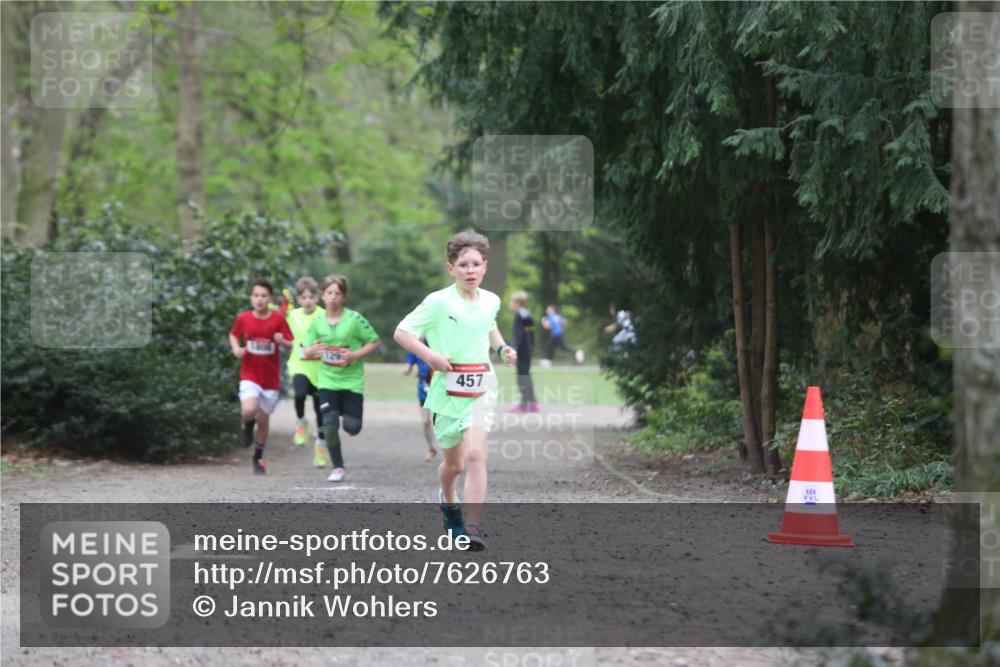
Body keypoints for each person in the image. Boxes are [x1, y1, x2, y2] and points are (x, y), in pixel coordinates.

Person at [394, 231, 517, 551]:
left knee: (475, 455)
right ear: (451, 269)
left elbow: (489, 324)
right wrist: (430, 356)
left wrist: (502, 348)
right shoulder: (437, 302)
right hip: (446, 391)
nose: (471, 270)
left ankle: (472, 528)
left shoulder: (491, 299)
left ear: (485, 266)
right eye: (463, 265)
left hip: (481, 387)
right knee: (454, 465)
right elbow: (402, 333)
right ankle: (449, 503)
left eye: (476, 264)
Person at [303, 275, 381, 482]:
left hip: (352, 382)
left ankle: (346, 416)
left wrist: (354, 355)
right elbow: (306, 350)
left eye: (337, 293)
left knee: (352, 427)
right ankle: (337, 467)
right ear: (322, 296)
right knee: (329, 423)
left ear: (344, 297)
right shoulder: (317, 322)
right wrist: (311, 351)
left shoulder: (355, 320)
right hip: (327, 381)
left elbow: (374, 342)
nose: (333, 297)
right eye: (329, 293)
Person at [228, 279, 293, 475]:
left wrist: (283, 341)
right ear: (251, 297)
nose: (259, 299)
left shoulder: (278, 319)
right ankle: (248, 424)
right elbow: (233, 334)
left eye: (263, 296)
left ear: (270, 299)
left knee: (263, 421)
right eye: (256, 295)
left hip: (270, 379)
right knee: (249, 410)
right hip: (249, 374)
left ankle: (258, 456)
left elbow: (291, 343)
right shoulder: (244, 318)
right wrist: (236, 348)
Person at [285, 276, 327, 466]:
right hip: (299, 365)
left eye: (311, 297)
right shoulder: (292, 315)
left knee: (321, 411)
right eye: (304, 297)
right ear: (299, 299)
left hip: (319, 369)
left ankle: (320, 445)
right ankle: (301, 421)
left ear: (317, 297)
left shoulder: (324, 315)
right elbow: (287, 336)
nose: (308, 300)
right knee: (300, 394)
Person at [402, 338, 438, 462]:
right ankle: (431, 448)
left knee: (443, 421)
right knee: (426, 422)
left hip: (441, 389)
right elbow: (408, 365)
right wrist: (406, 369)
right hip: (424, 389)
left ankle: (453, 451)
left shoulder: (439, 344)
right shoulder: (415, 348)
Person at [508, 291, 538, 413]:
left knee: (522, 377)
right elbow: (530, 334)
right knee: (526, 376)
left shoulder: (521, 315)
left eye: (511, 301)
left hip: (522, 351)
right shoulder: (527, 314)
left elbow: (521, 336)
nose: (510, 304)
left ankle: (524, 405)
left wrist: (514, 348)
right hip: (527, 350)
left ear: (518, 303)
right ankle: (533, 403)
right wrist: (530, 348)